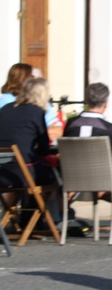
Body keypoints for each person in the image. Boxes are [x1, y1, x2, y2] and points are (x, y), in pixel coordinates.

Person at [63, 83, 112, 239]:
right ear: (106, 103)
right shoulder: (111, 129)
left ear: (86, 100)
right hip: (103, 181)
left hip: (73, 180)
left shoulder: (71, 125)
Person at [0, 77, 60, 215]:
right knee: (53, 176)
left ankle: (24, 220)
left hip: (3, 171)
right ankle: (40, 219)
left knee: (34, 167)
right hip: (21, 174)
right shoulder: (36, 112)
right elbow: (44, 148)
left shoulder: (6, 109)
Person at [0, 63, 64, 141]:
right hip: (25, 150)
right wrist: (39, 132)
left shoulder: (41, 102)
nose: (36, 81)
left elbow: (58, 131)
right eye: (32, 77)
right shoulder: (4, 103)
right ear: (23, 80)